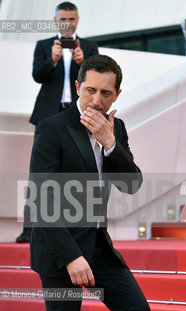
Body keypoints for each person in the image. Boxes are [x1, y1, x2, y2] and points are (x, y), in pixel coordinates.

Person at [29, 54, 151, 311]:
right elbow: (40, 200)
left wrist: (110, 144)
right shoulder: (52, 129)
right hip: (58, 249)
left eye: (106, 93)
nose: (97, 101)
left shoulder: (115, 128)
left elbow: (132, 184)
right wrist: (71, 257)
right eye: (90, 90)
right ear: (77, 87)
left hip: (97, 246)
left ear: (117, 95)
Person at [16, 1, 98, 243]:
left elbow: (97, 82)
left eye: (71, 19)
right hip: (47, 116)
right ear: (55, 21)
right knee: (39, 173)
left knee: (82, 172)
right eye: (63, 19)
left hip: (79, 117)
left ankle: (82, 229)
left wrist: (84, 64)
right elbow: (37, 76)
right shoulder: (43, 46)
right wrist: (52, 60)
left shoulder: (90, 47)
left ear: (77, 20)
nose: (67, 24)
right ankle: (30, 229)